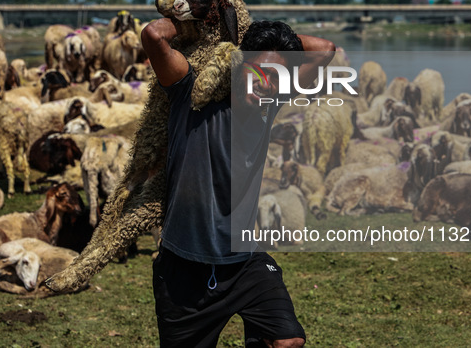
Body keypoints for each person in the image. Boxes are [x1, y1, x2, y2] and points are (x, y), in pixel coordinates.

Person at [141, 19, 335, 347]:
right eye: (259, 71)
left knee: (288, 341)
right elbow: (154, 36)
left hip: (242, 262)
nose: (266, 83)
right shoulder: (190, 95)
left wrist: (257, 33)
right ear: (237, 64)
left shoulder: (267, 107)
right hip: (184, 269)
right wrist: (224, 32)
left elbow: (326, 50)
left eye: (277, 78)